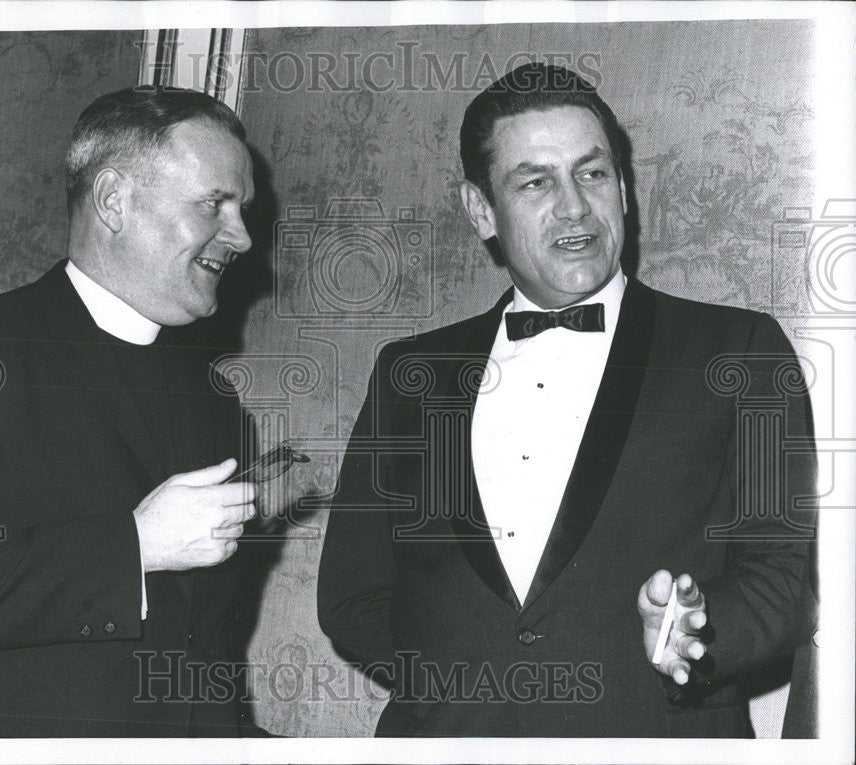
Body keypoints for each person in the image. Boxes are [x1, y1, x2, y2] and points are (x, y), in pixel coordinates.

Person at [317, 64, 817, 737]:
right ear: (481, 211)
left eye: (592, 173)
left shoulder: (739, 349)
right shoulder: (409, 370)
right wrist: (455, 675)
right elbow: (352, 594)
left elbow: (785, 582)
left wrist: (697, 632)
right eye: (535, 182)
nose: (575, 206)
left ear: (626, 187)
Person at [0, 87, 262, 737]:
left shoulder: (217, 404)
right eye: (215, 204)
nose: (242, 236)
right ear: (115, 200)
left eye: (242, 208)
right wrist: (135, 546)